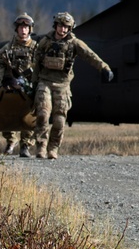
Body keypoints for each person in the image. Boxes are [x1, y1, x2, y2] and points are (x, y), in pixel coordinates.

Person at [31, 11, 113, 160]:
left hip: (62, 85)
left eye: (66, 27)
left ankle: (53, 148)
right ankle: (41, 146)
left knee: (59, 119)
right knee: (42, 114)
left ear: (70, 28)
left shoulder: (74, 43)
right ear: (56, 25)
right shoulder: (45, 42)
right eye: (61, 26)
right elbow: (36, 63)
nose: (63, 29)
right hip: (45, 82)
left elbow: (90, 55)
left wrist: (104, 68)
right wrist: (33, 83)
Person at [0, 13, 37, 156]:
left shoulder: (36, 48)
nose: (23, 30)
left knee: (32, 110)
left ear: (30, 29)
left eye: (26, 27)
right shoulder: (7, 49)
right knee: (5, 105)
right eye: (20, 27)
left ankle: (25, 144)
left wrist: (33, 81)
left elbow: (40, 66)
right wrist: (4, 79)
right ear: (17, 29)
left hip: (29, 86)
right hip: (11, 85)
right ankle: (10, 141)